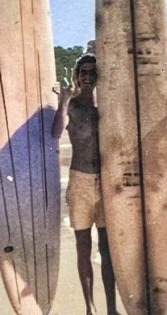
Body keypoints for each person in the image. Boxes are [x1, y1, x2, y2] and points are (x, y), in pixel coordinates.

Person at [51, 53, 120, 315]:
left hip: (105, 183)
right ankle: (90, 308)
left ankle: (112, 308)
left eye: (93, 72)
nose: (88, 76)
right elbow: (56, 133)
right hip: (80, 181)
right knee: (83, 247)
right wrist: (64, 100)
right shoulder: (72, 106)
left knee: (107, 248)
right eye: (84, 72)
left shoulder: (106, 107)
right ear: (77, 76)